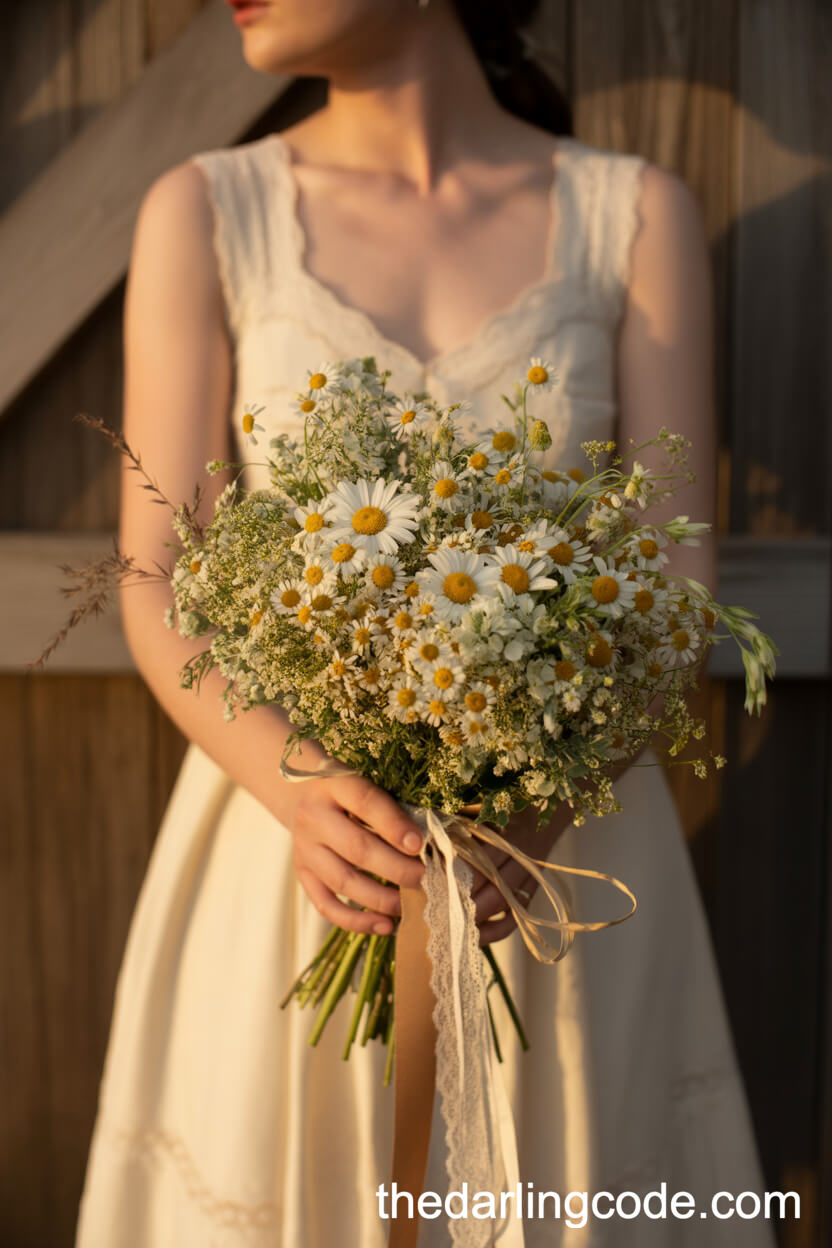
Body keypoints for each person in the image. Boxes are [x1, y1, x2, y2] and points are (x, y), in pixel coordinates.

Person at [75, 1, 777, 1244]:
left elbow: (674, 581)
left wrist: (543, 804)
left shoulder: (631, 213)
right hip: (295, 855)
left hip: (561, 872)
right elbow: (158, 577)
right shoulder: (206, 207)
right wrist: (299, 789)